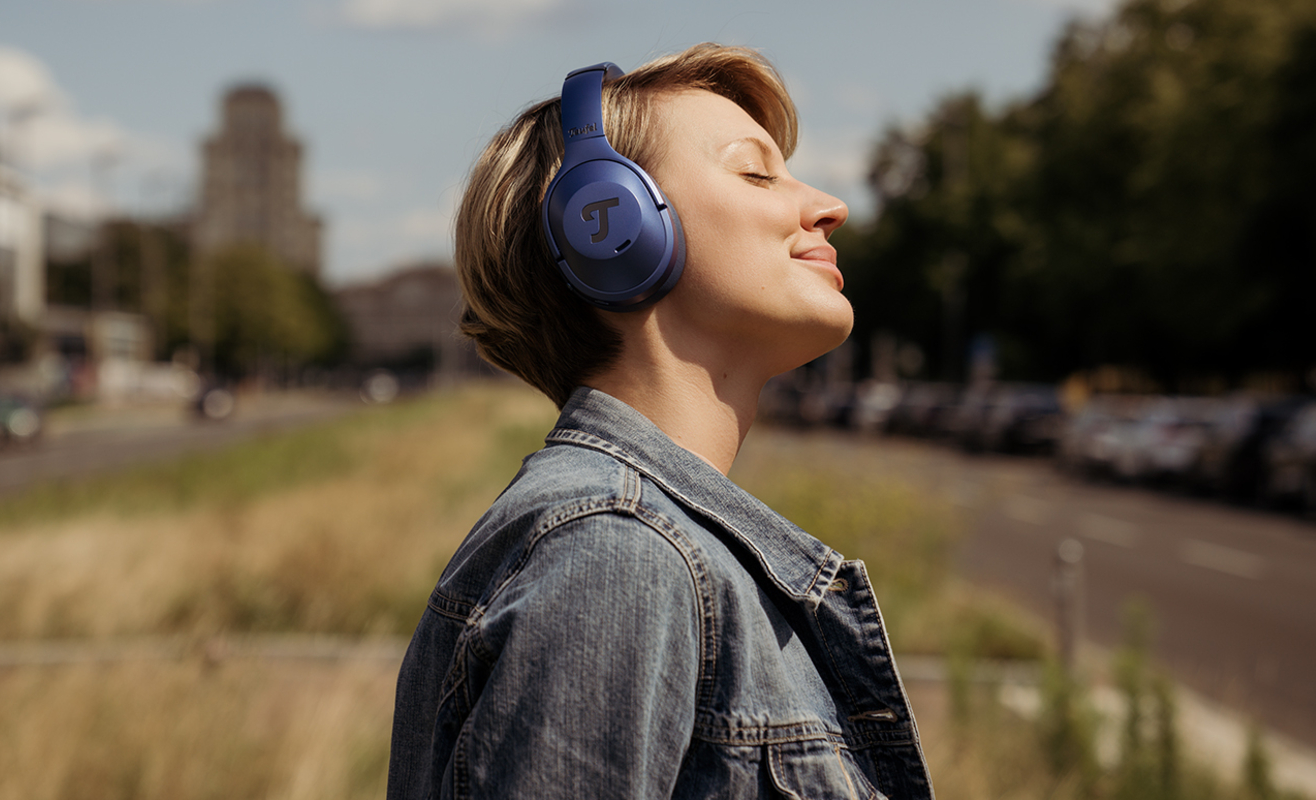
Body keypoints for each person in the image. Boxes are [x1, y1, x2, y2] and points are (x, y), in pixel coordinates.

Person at [388, 43, 934, 800]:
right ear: (606, 223)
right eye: (755, 171)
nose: (829, 206)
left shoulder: (637, 546)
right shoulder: (616, 552)